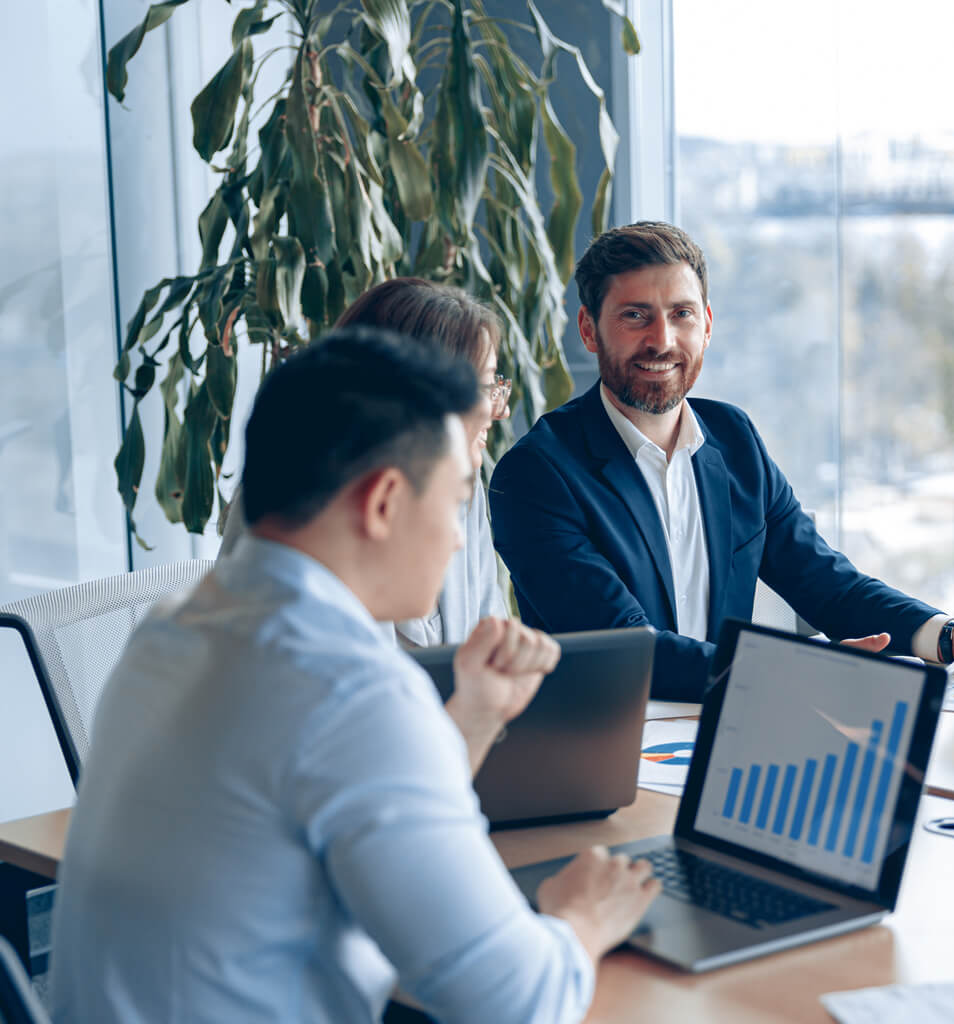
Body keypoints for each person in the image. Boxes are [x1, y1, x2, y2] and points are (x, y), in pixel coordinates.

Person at [50, 329, 658, 1023]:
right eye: (457, 497)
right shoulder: (350, 688)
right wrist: (581, 917)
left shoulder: (175, 625)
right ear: (383, 503)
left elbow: (340, 801)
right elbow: (518, 1003)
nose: (460, 535)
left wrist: (478, 712)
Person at [488, 221, 954, 702]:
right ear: (588, 329)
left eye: (681, 314)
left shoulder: (733, 439)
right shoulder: (536, 474)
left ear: (707, 325)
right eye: (635, 316)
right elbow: (627, 648)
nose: (662, 340)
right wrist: (797, 672)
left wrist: (947, 637)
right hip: (607, 744)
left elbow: (825, 582)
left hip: (723, 731)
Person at [220, 277, 511, 647]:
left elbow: (491, 636)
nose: (497, 410)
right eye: (484, 388)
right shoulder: (299, 507)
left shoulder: (462, 492)